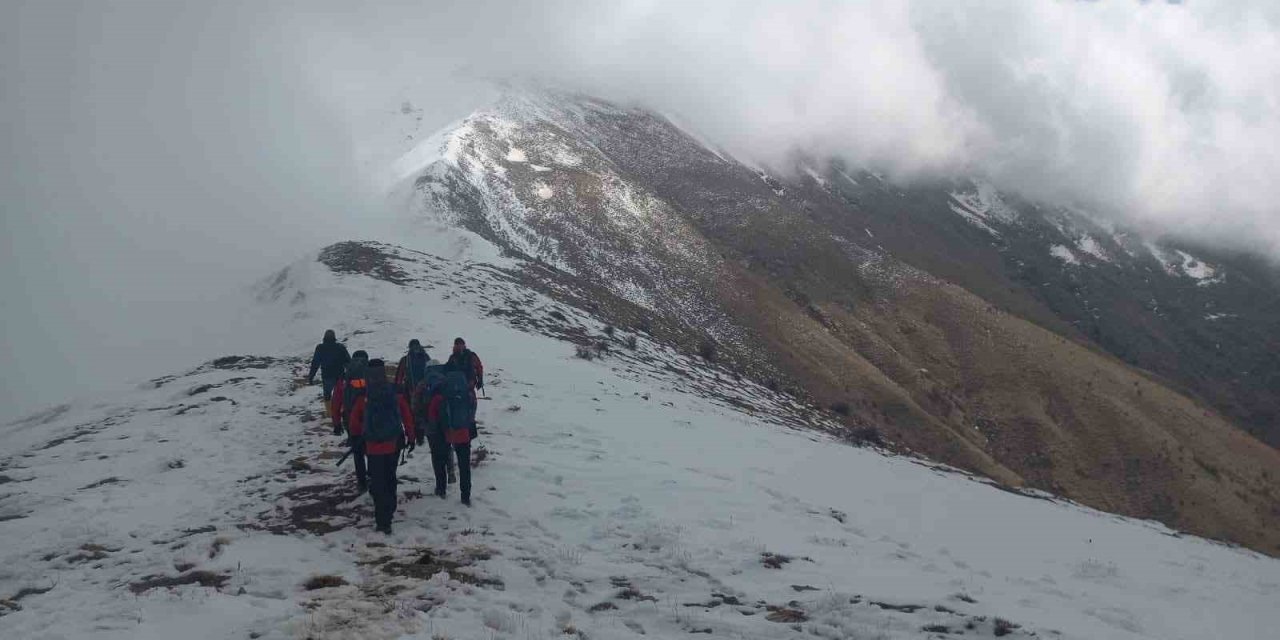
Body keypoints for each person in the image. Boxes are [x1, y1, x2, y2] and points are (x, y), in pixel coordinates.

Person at [353, 359, 415, 534]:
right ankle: (390, 507)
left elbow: (354, 423)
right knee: (390, 476)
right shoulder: (394, 393)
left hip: (373, 447)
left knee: (378, 481)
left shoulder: (364, 396)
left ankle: (382, 522)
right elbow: (406, 416)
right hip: (393, 443)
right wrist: (411, 437)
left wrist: (361, 435)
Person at [425, 368, 475, 506]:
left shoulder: (439, 396)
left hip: (445, 433)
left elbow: (432, 416)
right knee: (464, 466)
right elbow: (472, 410)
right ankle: (465, 497)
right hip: (463, 433)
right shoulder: (467, 394)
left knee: (440, 460)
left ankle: (441, 489)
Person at [333, 351, 370, 491]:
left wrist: (336, 423)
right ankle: (374, 476)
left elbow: (336, 402)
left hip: (350, 421)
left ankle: (362, 482)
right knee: (371, 450)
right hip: (371, 419)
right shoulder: (372, 375)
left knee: (358, 452)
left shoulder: (344, 378)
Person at [308, 329, 351, 416]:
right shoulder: (340, 347)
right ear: (334, 337)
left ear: (324, 337)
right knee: (340, 394)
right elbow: (348, 362)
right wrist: (350, 375)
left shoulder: (320, 348)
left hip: (327, 376)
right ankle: (342, 411)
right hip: (339, 375)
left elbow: (315, 363)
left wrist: (311, 376)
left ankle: (329, 413)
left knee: (327, 395)